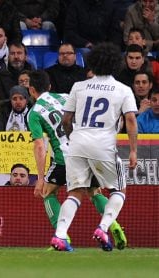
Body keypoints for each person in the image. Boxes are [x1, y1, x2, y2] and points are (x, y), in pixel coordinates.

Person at [51, 43, 138, 252]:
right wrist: (134, 150)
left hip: (78, 143)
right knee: (119, 188)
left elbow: (66, 120)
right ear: (116, 64)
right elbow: (131, 120)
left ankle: (60, 235)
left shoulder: (79, 86)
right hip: (103, 144)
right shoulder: (123, 89)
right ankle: (103, 227)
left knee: (75, 192)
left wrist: (74, 138)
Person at [27, 70, 127, 250]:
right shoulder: (66, 97)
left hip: (64, 156)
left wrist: (40, 178)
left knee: (48, 192)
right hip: (88, 149)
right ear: (50, 86)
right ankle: (112, 226)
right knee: (94, 192)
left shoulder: (34, 113)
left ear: (31, 90)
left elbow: (40, 146)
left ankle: (62, 237)